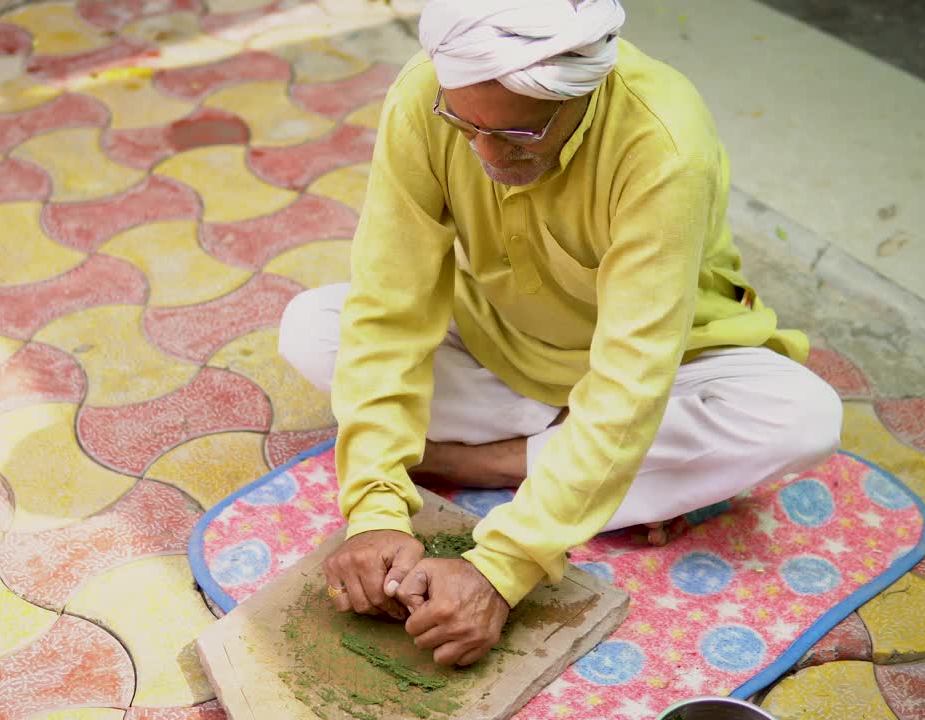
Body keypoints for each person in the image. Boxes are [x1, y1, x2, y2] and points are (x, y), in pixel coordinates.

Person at [277, 0, 842, 667]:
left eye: (518, 136)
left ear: (585, 91)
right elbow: (390, 305)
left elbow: (633, 379)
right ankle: (595, 469)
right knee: (312, 326)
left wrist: (501, 568)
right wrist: (373, 510)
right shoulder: (423, 97)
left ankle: (475, 462)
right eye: (466, 126)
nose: (486, 155)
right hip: (505, 342)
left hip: (670, 363)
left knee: (804, 419)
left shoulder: (663, 142)